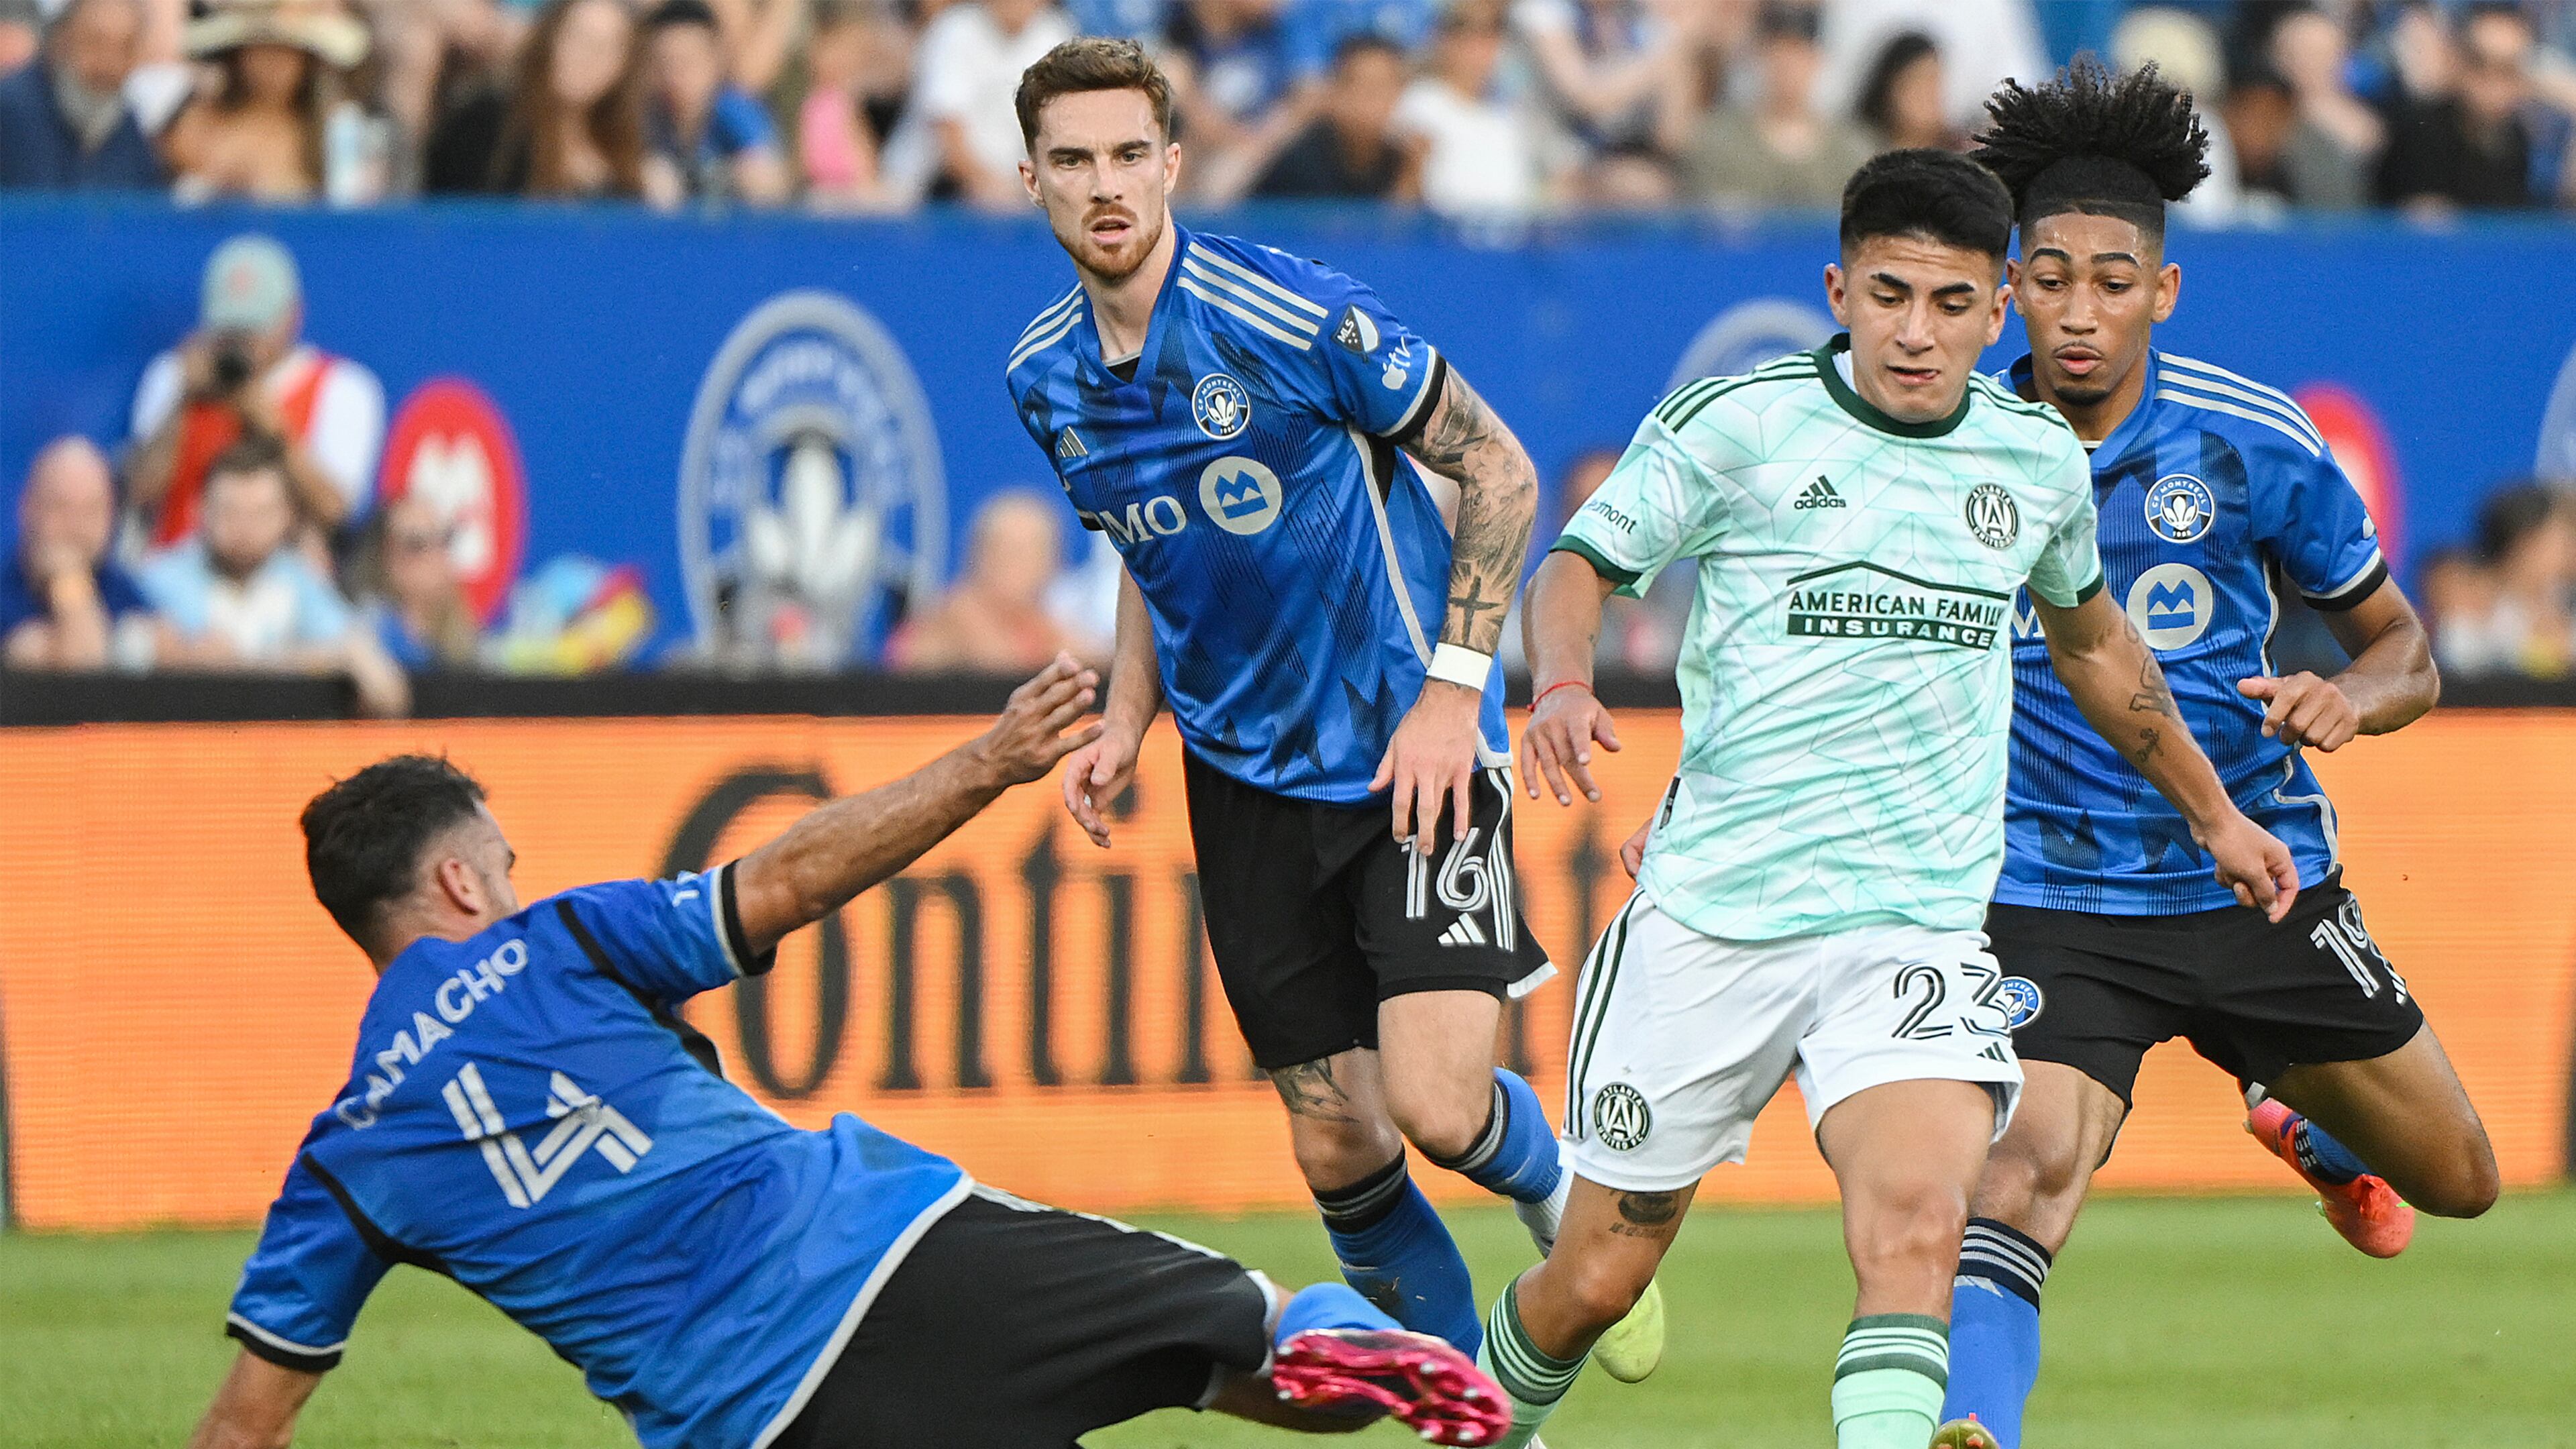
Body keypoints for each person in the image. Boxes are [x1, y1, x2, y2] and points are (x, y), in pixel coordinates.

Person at [182, 665, 1513, 1449]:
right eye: (505, 862)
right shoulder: (557, 942)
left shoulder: (350, 1153)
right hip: (885, 1256)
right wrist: (990, 760)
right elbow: (784, 879)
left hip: (752, 1425)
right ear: (462, 883)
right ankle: (1354, 1352)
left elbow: (248, 1423)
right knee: (1255, 1339)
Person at [1501, 147, 2300, 1449]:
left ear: (1999, 309)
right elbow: (1581, 563)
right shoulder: (1739, 425)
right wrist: (1563, 685)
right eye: (1888, 296)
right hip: (1713, 922)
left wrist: (2214, 815)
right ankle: (1478, 1420)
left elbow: (2097, 646)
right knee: (1595, 1283)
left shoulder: (2032, 460)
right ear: (1839, 291)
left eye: (1950, 303)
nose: (1916, 332)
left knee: (1925, 1231)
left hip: (1911, 926)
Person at [1004, 37, 1661, 1377]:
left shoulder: (1288, 313)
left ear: (1173, 162)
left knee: (1438, 1106)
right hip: (1240, 777)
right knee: (1336, 1142)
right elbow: (1149, 547)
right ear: (1031, 181)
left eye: (1128, 154)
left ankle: (1560, 1195)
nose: (1104, 185)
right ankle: (1473, 1414)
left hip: (1406, 748)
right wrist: (1126, 720)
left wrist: (1454, 692)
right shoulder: (1045, 377)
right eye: (1072, 161)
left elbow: (1501, 469)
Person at [1928, 60, 2499, 1449]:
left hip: (2257, 878)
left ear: (2164, 292)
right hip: (2048, 893)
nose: (2079, 311)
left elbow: (2407, 651)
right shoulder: (1949, 446)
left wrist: (2349, 700)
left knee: (2463, 1181)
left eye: (2112, 282)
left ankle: (2301, 1120)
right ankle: (1968, 1428)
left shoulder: (2251, 442)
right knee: (2023, 1176)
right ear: (2008, 289)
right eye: (2049, 278)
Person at [127, 232, 385, 550]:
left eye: (254, 326)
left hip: (286, 574)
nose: (241, 339)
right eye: (230, 326)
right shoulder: (174, 374)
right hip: (180, 565)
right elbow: (140, 493)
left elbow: (337, 511)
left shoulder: (342, 387)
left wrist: (270, 426)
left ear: (293, 316)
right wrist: (183, 402)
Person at [138, 437, 410, 718]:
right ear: (199, 510)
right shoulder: (159, 580)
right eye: (229, 511)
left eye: (260, 513)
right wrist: (319, 659)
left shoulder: (298, 577)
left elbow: (372, 672)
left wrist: (247, 663)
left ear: (287, 516)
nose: (244, 528)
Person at [423, 0, 647, 199]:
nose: (586, 57)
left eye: (604, 47)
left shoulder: (624, 148)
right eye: (577, 37)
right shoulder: (489, 124)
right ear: (550, 39)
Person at [160, 0, 372, 203]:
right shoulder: (197, 125)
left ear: (307, 60)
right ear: (238, 56)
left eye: (285, 52)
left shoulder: (336, 128)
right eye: (260, 51)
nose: (272, 64)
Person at [1681, 0, 1876, 209]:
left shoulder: (1851, 149)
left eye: (1798, 55)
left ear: (1817, 59)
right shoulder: (1719, 140)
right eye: (1779, 55)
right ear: (1760, 57)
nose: (1788, 67)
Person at [0, 436, 166, 671]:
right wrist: (70, 582)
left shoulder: (121, 589)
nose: (76, 526)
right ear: (27, 507)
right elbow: (82, 662)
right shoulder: (6, 592)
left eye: (91, 510)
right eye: (61, 507)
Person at [886, 488, 1097, 672]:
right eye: (1005, 550)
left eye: (1027, 553)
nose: (1011, 565)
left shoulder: (1040, 624)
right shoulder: (953, 616)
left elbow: (1092, 663)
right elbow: (1006, 671)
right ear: (979, 554)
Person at [1395, 1, 1554, 217]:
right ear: (1445, 40)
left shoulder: (1509, 114)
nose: (1480, 51)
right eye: (1469, 39)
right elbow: (1405, 198)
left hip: (1510, 232)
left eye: (1489, 38)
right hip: (1444, 232)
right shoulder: (1420, 103)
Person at [2379, 1, 2542, 211]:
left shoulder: (2516, 139)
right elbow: (2423, 222)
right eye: (2481, 64)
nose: (2495, 82)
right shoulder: (2421, 134)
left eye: (2509, 69)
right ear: (2459, 61)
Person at [913, 0, 1074, 209]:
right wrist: (989, 186)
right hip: (932, 191)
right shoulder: (955, 29)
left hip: (1021, 193)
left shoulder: (1055, 33)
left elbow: (1064, 128)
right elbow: (947, 131)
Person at [0, 0, 166, 189]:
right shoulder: (9, 111)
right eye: (95, 43)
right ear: (63, 41)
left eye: (125, 48)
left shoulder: (129, 130)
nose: (108, 64)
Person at [640, 0, 790, 206]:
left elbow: (770, 179)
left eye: (687, 62)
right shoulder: (647, 115)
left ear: (715, 59)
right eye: (665, 62)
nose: (675, 75)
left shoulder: (734, 109)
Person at [1250, 32, 1415, 201]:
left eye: (1383, 87)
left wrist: (1411, 173)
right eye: (1360, 85)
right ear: (1335, 91)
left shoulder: (1402, 157)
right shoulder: (1300, 157)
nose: (1371, 101)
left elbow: (1398, 216)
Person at [350, 492, 483, 671]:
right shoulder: (366, 633)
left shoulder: (466, 640)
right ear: (385, 558)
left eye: (445, 538)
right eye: (416, 543)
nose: (435, 553)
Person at [1854, 30, 1964, 152]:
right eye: (1919, 81)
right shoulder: (1856, 147)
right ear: (1889, 88)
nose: (1929, 95)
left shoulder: (1960, 151)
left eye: (1935, 81)